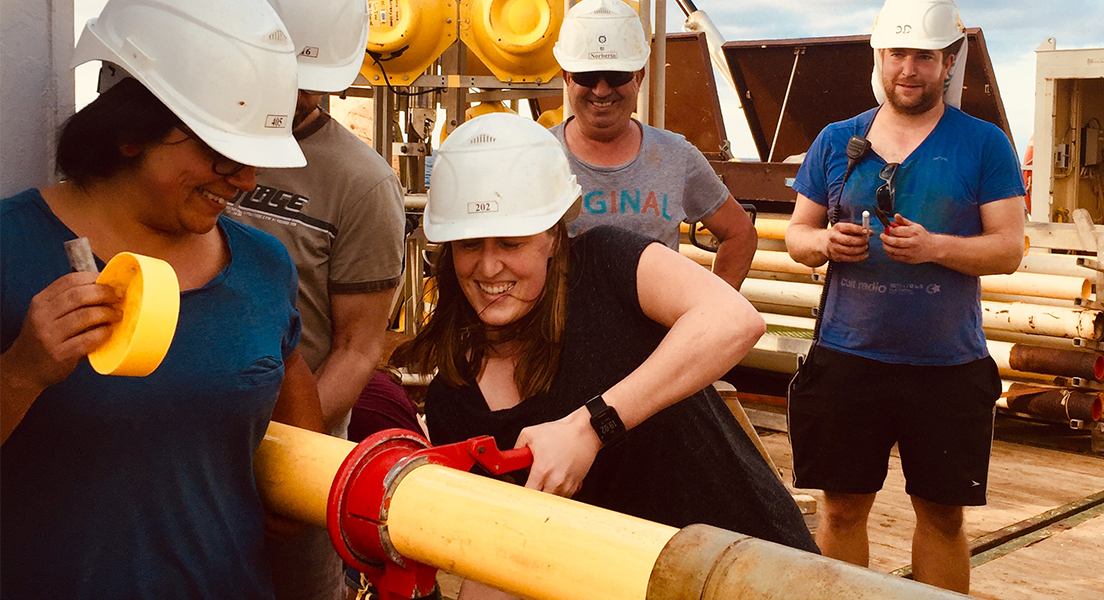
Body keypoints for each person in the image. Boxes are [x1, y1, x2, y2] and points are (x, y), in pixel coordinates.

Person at [400, 112, 818, 600]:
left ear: (553, 237)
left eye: (512, 242)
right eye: (469, 244)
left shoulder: (607, 267)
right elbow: (510, 550)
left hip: (751, 574)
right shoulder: (456, 399)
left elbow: (734, 320)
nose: (489, 266)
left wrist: (590, 428)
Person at [0, 0, 326, 597]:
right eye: (222, 154)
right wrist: (21, 373)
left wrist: (302, 488)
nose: (246, 180)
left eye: (254, 157)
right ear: (130, 133)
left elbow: (288, 373)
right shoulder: (11, 248)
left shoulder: (261, 264)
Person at [782, 0, 1025, 593]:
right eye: (898, 54)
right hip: (847, 360)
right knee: (840, 511)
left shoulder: (984, 144)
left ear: (948, 63)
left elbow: (1008, 250)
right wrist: (825, 242)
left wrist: (936, 247)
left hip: (946, 368)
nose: (909, 69)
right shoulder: (838, 140)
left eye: (925, 56)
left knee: (943, 517)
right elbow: (795, 235)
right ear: (878, 56)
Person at [222, 1, 409, 598]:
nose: (296, 94)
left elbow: (358, 348)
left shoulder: (360, 181)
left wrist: (276, 454)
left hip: (294, 456)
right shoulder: (198, 143)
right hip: (188, 443)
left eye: (311, 83)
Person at [548, 0, 757, 289]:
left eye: (617, 75)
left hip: (656, 335)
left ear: (640, 77)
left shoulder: (676, 156)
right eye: (587, 76)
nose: (601, 89)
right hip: (560, 334)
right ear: (567, 77)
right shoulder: (538, 156)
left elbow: (740, 234)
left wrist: (710, 312)